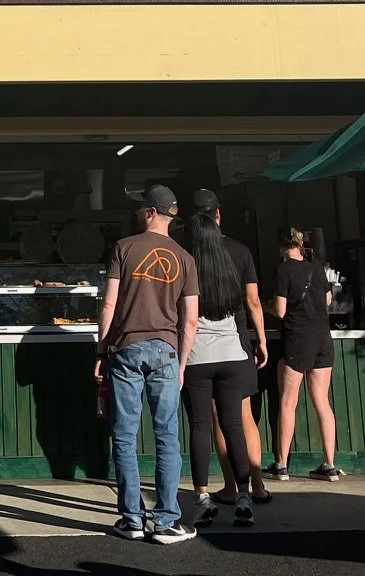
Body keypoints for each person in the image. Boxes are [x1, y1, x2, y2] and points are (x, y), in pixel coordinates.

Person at [95, 184, 200, 545]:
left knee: (124, 436)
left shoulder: (124, 248)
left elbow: (109, 305)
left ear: (152, 213)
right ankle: (168, 520)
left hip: (125, 349)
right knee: (167, 436)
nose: (139, 212)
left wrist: (101, 350)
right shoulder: (185, 258)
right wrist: (182, 363)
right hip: (166, 352)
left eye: (142, 207)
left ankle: (131, 520)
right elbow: (190, 320)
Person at [179, 203, 266, 526]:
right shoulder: (231, 265)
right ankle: (244, 496)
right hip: (233, 353)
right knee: (234, 426)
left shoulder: (187, 265)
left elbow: (183, 316)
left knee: (201, 426)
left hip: (198, 356)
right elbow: (248, 302)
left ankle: (202, 496)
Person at [270, 226, 341, 480]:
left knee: (289, 402)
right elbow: (328, 300)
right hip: (323, 340)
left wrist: (267, 306)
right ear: (301, 244)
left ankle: (281, 465)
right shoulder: (317, 268)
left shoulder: (284, 270)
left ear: (281, 247)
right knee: (322, 402)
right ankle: (329, 464)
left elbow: (279, 310)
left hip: (297, 341)